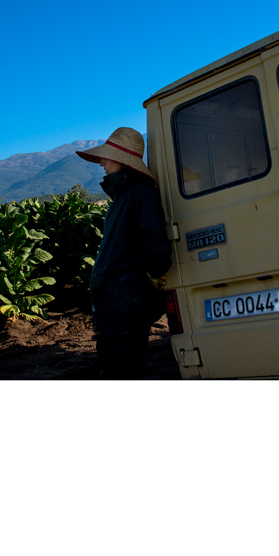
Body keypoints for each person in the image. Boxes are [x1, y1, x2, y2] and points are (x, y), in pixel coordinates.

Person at [75, 127, 173, 379]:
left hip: (125, 303)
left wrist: (156, 273)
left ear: (123, 161)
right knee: (114, 363)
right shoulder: (125, 196)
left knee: (124, 366)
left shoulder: (140, 194)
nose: (102, 163)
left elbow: (155, 242)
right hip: (115, 302)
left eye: (107, 158)